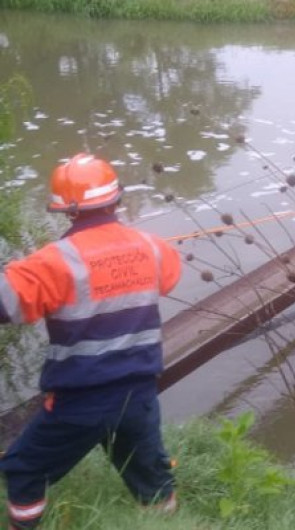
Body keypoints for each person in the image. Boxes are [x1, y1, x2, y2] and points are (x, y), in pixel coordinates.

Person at [0, 153, 182, 529]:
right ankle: (164, 521)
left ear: (66, 211)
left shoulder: (52, 262)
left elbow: (7, 304)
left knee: (24, 469)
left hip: (80, 401)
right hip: (140, 395)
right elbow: (169, 278)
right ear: (116, 199)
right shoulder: (152, 247)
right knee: (151, 475)